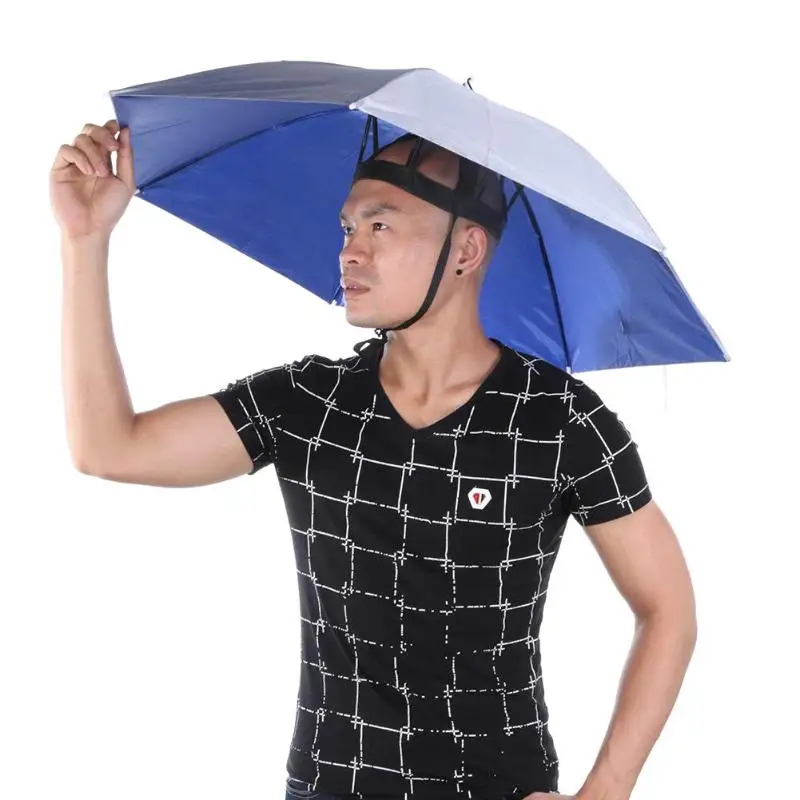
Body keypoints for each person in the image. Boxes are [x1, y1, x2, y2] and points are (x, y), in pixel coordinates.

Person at [51, 119, 697, 800]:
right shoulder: (309, 401)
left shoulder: (558, 420)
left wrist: (607, 789)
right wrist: (83, 241)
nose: (350, 252)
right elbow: (108, 446)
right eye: (348, 227)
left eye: (380, 226)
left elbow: (668, 608)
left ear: (466, 249)